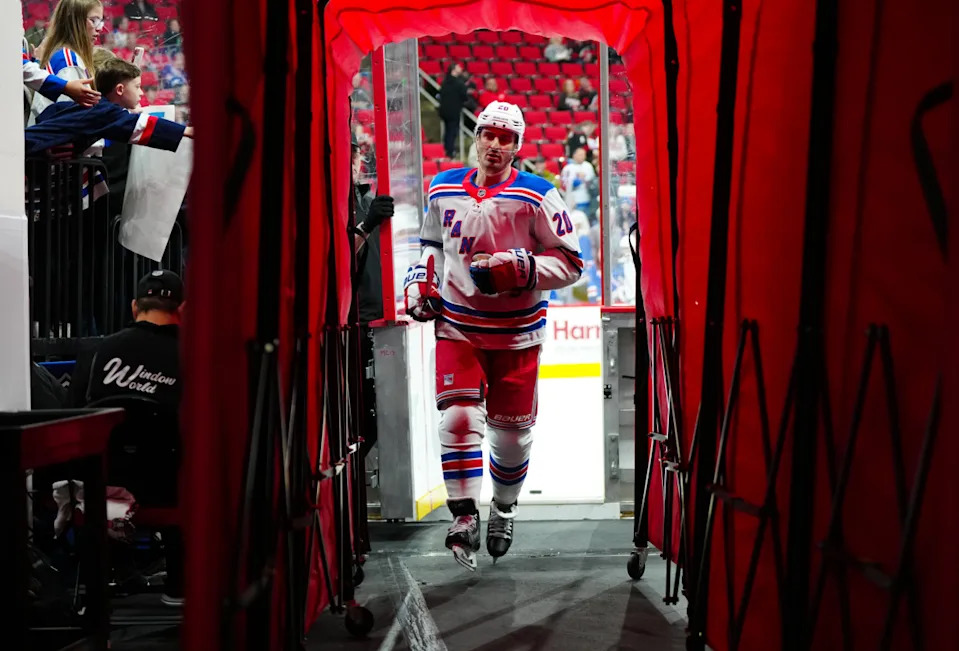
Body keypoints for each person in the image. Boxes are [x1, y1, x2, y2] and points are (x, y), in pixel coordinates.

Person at [403, 101, 584, 570]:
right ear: (476, 135)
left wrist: (520, 269)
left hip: (518, 335)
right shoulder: (442, 187)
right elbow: (432, 243)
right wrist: (421, 280)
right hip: (458, 326)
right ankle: (464, 517)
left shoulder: (540, 195)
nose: (496, 145)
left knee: (511, 439)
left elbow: (571, 262)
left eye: (507, 138)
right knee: (458, 419)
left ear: (518, 147)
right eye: (489, 134)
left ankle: (503, 509)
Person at [68, 269, 184, 606]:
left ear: (134, 307)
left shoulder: (97, 353)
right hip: (170, 491)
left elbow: (73, 417)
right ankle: (180, 581)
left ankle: (104, 575)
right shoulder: (195, 356)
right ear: (182, 308)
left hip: (104, 488)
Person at [25, 57, 194, 156]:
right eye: (137, 87)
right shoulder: (104, 111)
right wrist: (185, 131)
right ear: (120, 89)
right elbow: (139, 126)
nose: (141, 93)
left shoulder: (94, 107)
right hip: (24, 151)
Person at [30, 0, 105, 121]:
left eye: (101, 22)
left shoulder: (66, 56)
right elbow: (72, 123)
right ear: (74, 21)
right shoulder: (68, 62)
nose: (100, 28)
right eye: (94, 21)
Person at [438, 63, 469, 159]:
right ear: (453, 69)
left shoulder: (445, 81)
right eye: (458, 67)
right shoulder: (459, 83)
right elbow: (465, 96)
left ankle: (447, 150)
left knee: (447, 131)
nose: (460, 68)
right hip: (453, 111)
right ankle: (450, 152)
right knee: (452, 132)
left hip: (444, 110)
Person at [560, 147, 596, 215]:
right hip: (573, 201)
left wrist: (584, 178)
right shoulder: (568, 168)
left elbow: (592, 181)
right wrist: (575, 181)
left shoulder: (588, 166)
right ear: (574, 155)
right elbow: (563, 184)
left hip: (586, 199)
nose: (582, 157)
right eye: (580, 155)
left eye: (583, 155)